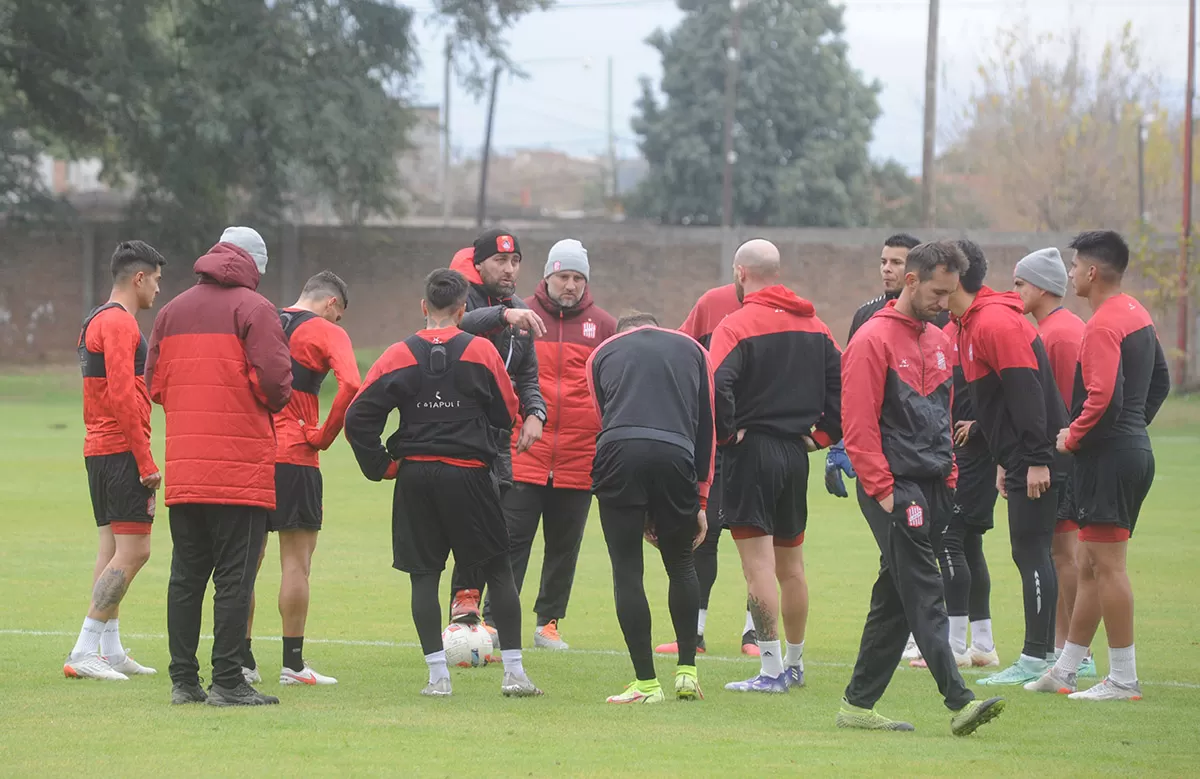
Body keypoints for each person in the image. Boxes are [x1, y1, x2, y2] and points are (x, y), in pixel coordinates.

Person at [343, 268, 542, 698]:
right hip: (469, 474)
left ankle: (438, 679)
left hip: (415, 477)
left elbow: (357, 416)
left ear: (423, 307)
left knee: (423, 577)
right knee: (499, 571)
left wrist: (381, 464)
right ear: (461, 309)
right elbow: (508, 411)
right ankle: (514, 675)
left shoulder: (398, 353)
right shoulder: (481, 352)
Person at [838, 240, 1004, 736]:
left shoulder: (940, 340)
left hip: (935, 484)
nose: (945, 302)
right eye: (938, 292)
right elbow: (858, 424)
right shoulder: (871, 341)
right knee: (924, 587)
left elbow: (942, 415)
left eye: (951, 293)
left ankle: (857, 705)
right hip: (895, 488)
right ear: (911, 281)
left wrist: (950, 475)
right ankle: (960, 699)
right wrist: (883, 489)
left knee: (895, 596)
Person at [146, 226, 292, 707]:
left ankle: (183, 681)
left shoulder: (171, 311)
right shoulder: (255, 309)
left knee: (185, 578)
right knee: (235, 578)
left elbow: (156, 384)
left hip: (187, 468)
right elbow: (275, 382)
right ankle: (228, 679)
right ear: (253, 265)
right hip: (240, 468)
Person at [1027, 230, 1169, 700]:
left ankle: (1123, 678)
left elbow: (1103, 394)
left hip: (1108, 457)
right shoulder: (1137, 313)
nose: (1069, 275)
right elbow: (1161, 382)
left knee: (1107, 568)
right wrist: (1133, 428)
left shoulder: (1104, 324)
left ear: (1091, 272)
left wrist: (1076, 436)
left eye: (1073, 267)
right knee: (1088, 564)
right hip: (1126, 449)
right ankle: (1065, 671)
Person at [710, 239, 842, 693]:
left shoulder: (735, 325)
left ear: (740, 273)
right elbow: (842, 385)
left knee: (758, 569)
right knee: (793, 567)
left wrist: (727, 435)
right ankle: (796, 664)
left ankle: (769, 672)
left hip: (752, 453)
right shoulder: (818, 326)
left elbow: (716, 387)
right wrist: (822, 436)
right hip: (794, 455)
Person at [948, 239, 1068, 687]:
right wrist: (999, 451)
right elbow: (1000, 400)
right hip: (1017, 455)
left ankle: (1039, 658)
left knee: (1032, 552)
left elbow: (1027, 391)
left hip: (1034, 457)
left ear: (954, 276)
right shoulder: (972, 321)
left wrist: (1037, 460)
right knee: (1031, 551)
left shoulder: (994, 321)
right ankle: (1047, 656)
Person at [587, 311, 715, 704]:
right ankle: (687, 674)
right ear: (659, 327)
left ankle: (645, 683)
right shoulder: (692, 349)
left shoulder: (602, 352)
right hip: (676, 454)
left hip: (619, 451)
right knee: (681, 564)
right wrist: (702, 498)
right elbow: (707, 424)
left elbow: (603, 418)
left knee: (627, 569)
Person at [495, 239, 616, 650]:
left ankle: (548, 622)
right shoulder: (517, 316)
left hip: (580, 456)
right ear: (548, 275)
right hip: (525, 450)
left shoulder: (603, 326)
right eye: (564, 276)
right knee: (512, 541)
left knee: (564, 546)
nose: (571, 285)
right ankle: (494, 620)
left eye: (578, 278)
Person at [243, 271, 361, 686]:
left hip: (252, 455)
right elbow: (352, 383)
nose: (338, 324)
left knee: (246, 563)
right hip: (296, 456)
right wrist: (324, 436)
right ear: (332, 304)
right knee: (296, 564)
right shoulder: (324, 332)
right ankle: (292, 665)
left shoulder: (261, 320)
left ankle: (242, 660)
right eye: (340, 316)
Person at [825, 233, 934, 666]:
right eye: (884, 260)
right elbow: (853, 388)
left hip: (921, 458)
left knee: (928, 548)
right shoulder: (866, 316)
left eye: (897, 262)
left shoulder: (932, 321)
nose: (887, 268)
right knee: (893, 551)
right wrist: (839, 445)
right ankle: (917, 636)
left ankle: (951, 636)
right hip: (881, 459)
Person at [64, 241, 167, 681]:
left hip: (97, 450)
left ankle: (109, 647)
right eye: (157, 280)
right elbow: (124, 394)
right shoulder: (122, 325)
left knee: (111, 549)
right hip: (123, 450)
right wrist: (145, 460)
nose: (159, 290)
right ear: (138, 278)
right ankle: (85, 647)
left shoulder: (94, 319)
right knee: (137, 551)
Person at [446, 229, 547, 628]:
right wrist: (503, 314)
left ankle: (473, 620)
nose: (508, 269)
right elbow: (456, 325)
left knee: (494, 530)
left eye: (515, 261)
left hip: (497, 439)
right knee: (466, 528)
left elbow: (528, 376)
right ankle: (461, 615)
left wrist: (536, 413)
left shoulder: (520, 310)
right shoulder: (459, 296)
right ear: (479, 263)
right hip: (454, 431)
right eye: (499, 261)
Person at [657, 281, 760, 658]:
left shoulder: (786, 314)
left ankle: (755, 635)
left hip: (759, 446)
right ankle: (694, 634)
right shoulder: (712, 303)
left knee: (759, 540)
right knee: (704, 534)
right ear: (740, 273)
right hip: (716, 441)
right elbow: (683, 352)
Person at [1012, 247, 1097, 679]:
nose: (1015, 292)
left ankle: (1072, 650)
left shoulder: (1058, 334)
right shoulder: (1052, 329)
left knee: (1063, 553)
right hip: (1057, 458)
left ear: (1042, 287)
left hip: (1059, 462)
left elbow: (1060, 405)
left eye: (1021, 283)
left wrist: (1043, 455)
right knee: (1059, 552)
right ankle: (1066, 648)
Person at [927, 240, 1001, 673]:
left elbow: (1016, 394)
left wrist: (981, 430)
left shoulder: (985, 325)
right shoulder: (954, 328)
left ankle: (954, 646)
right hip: (961, 453)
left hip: (973, 457)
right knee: (968, 543)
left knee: (952, 538)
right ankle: (983, 644)